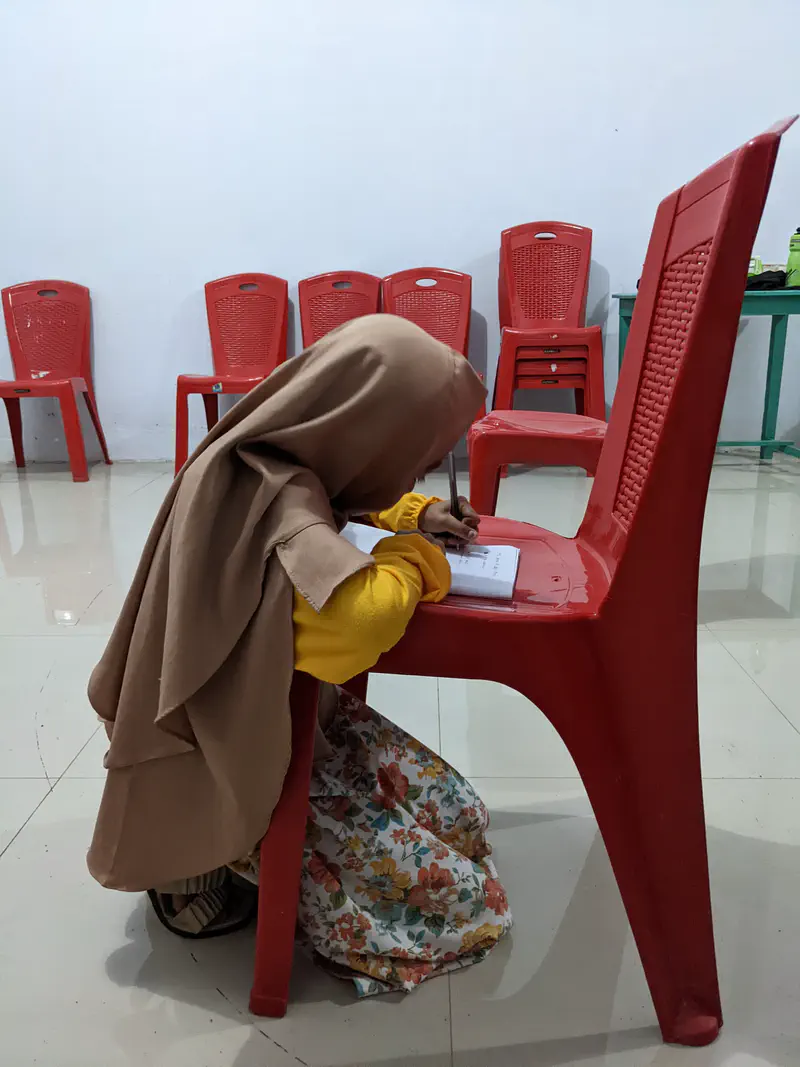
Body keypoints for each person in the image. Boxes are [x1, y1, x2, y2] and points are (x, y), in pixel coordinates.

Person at [87, 314, 512, 996]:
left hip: (271, 721)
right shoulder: (274, 505)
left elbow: (337, 497)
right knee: (462, 905)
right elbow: (358, 622)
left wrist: (412, 513)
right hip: (212, 760)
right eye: (415, 451)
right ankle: (191, 869)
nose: (422, 466)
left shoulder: (264, 449)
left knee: (460, 814)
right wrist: (416, 556)